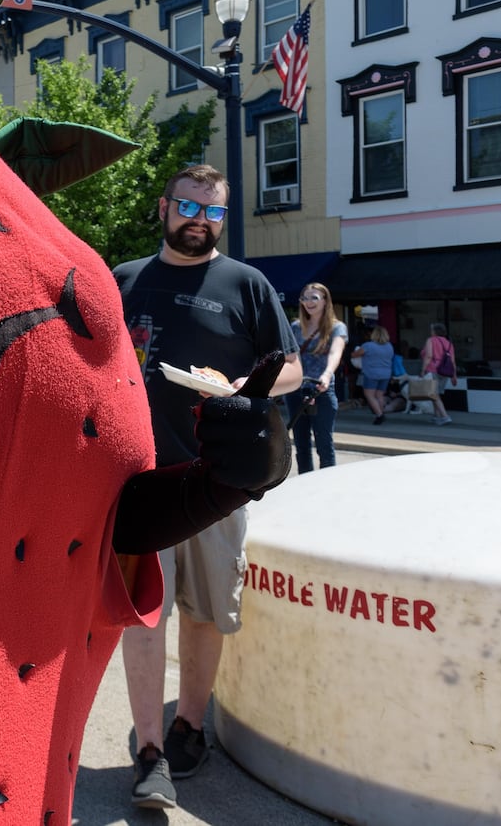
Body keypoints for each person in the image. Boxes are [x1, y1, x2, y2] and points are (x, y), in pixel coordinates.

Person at [114, 164, 300, 811]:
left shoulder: (245, 284)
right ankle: (148, 750)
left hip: (218, 480)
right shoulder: (126, 281)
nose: (200, 219)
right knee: (143, 618)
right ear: (165, 206)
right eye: (190, 207)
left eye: (214, 212)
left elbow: (292, 369)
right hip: (136, 479)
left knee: (206, 609)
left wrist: (238, 388)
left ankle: (190, 726)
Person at [282, 283, 347, 473]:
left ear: (325, 301)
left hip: (322, 390)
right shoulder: (295, 327)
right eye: (305, 298)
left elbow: (336, 352)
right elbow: (287, 356)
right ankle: (305, 485)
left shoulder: (337, 327)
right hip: (295, 390)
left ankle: (326, 487)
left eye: (314, 298)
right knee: (301, 444)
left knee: (324, 444)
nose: (308, 302)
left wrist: (326, 375)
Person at [352, 326, 396, 424]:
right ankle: (380, 412)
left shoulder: (368, 346)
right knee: (380, 395)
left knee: (369, 394)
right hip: (386, 374)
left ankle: (379, 415)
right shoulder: (389, 346)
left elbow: (355, 355)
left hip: (371, 373)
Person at [419, 322, 456, 425]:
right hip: (445, 371)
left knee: (433, 394)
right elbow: (453, 361)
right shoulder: (449, 343)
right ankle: (437, 416)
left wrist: (423, 370)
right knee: (437, 394)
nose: (430, 331)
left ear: (435, 331)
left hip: (433, 369)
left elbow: (429, 356)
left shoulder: (431, 340)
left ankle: (445, 416)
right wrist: (454, 375)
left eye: (431, 329)